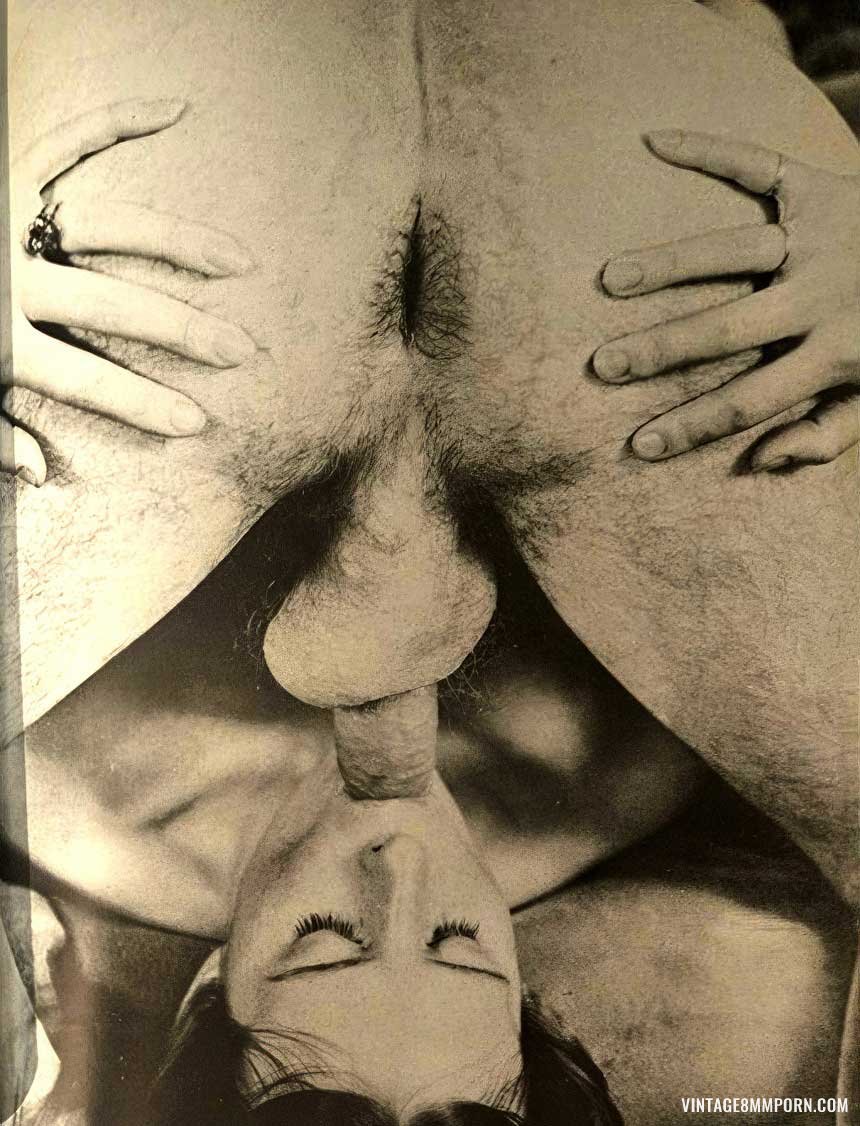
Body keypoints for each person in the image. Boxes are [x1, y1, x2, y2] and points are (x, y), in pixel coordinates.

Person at [3, 0, 858, 1120]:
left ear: (209, 988)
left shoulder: (62, 778)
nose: (396, 864)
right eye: (459, 942)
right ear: (536, 1001)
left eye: (322, 939)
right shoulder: (624, 774)